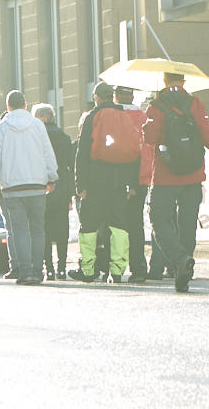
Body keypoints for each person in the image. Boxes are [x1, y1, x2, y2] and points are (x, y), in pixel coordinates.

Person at [143, 72, 209, 293]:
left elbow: (150, 139)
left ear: (164, 82)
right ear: (184, 82)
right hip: (193, 175)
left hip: (164, 176)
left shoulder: (156, 106)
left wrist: (147, 127)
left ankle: (180, 260)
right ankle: (186, 264)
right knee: (188, 222)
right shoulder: (196, 104)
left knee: (159, 220)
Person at [0, 90, 58, 285]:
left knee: (19, 230)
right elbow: (47, 153)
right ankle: (37, 269)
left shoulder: (2, 128)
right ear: (25, 105)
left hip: (12, 188)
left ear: (8, 106)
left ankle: (25, 271)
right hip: (36, 184)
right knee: (37, 229)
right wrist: (51, 177)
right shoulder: (37, 125)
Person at [70, 82, 140, 283]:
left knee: (89, 226)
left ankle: (89, 269)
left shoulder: (92, 117)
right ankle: (117, 271)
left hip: (95, 183)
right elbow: (135, 153)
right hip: (119, 184)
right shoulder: (124, 117)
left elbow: (82, 153)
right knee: (119, 226)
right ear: (112, 96)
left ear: (96, 97)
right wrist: (132, 185)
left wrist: (80, 185)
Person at [33, 103, 74, 280]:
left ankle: (48, 268)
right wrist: (70, 193)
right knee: (62, 228)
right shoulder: (64, 138)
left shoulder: (35, 138)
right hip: (62, 186)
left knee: (45, 229)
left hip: (41, 186)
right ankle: (62, 267)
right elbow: (71, 166)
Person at [115, 85, 151, 280]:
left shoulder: (115, 118)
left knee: (117, 225)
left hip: (119, 181)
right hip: (142, 178)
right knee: (136, 225)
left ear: (116, 96)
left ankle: (117, 269)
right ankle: (139, 268)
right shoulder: (143, 118)